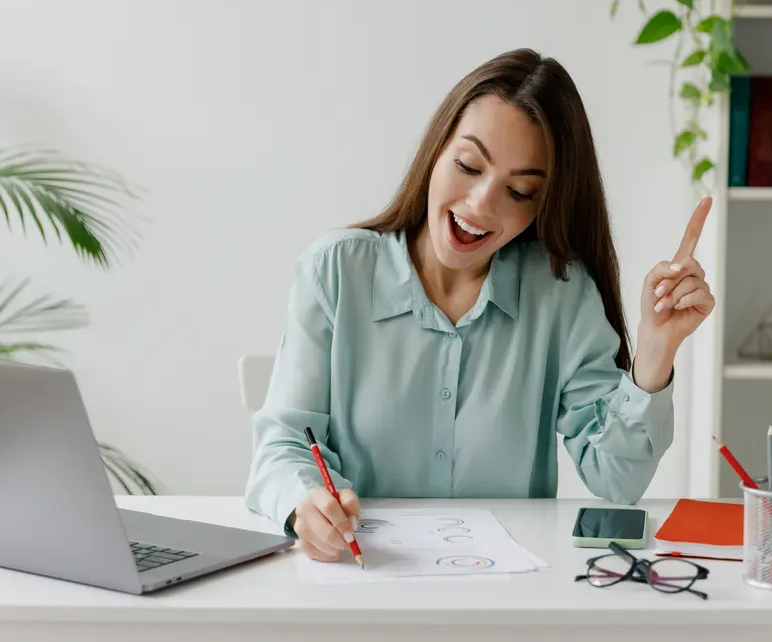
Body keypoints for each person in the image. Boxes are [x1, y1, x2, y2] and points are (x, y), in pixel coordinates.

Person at [244, 48, 715, 563]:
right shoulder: (335, 272)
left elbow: (617, 479)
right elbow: (283, 444)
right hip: (365, 584)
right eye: (468, 165)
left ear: (543, 206)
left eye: (518, 191)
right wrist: (305, 504)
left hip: (505, 601)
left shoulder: (559, 292)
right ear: (436, 150)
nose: (481, 204)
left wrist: (654, 352)